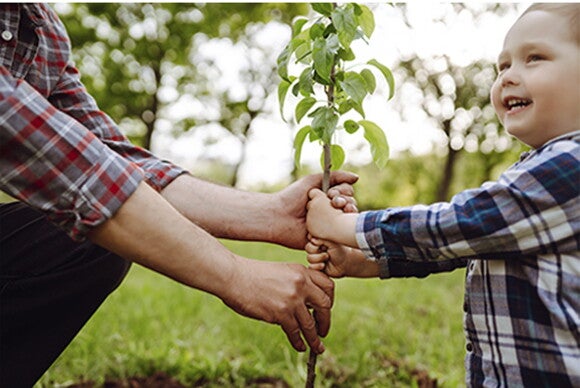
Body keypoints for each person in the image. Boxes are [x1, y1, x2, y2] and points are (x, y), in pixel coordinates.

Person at [0, 4, 360, 387]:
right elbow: (62, 164)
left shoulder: (37, 25)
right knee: (102, 227)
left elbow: (109, 157)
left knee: (86, 242)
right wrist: (235, 274)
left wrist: (269, 213)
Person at [305, 3, 579, 387]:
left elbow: (464, 224)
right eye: (502, 66)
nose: (509, 77)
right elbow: (471, 244)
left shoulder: (573, 166)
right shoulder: (536, 167)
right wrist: (362, 261)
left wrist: (346, 225)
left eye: (534, 58)